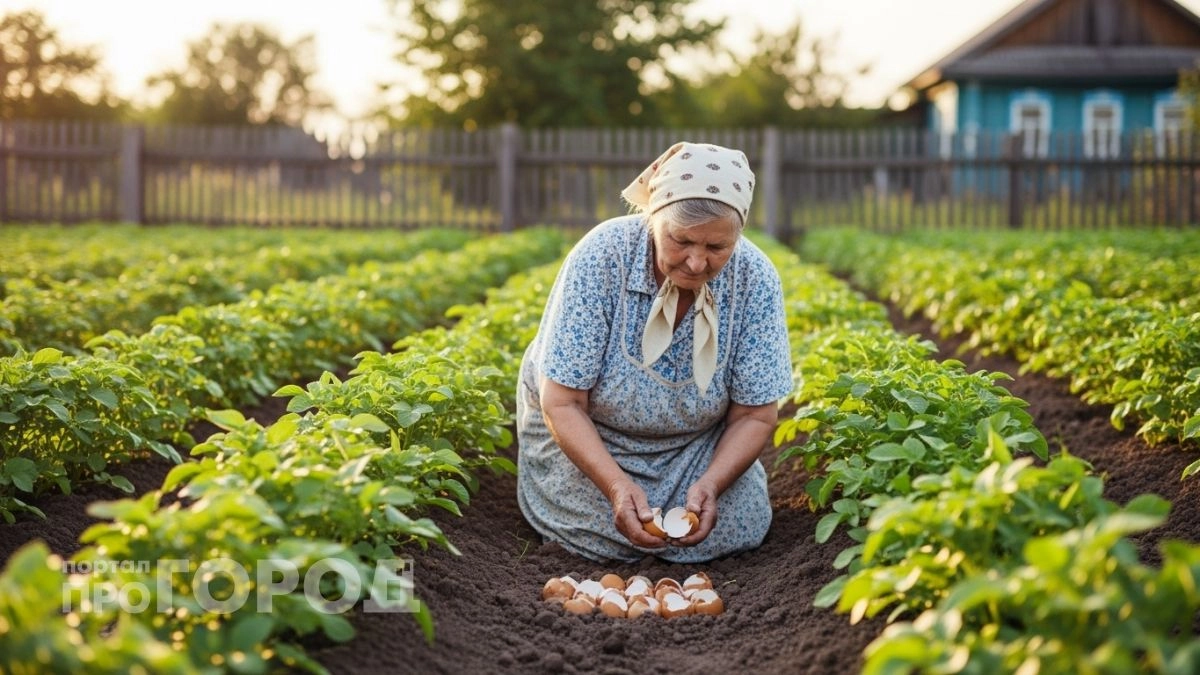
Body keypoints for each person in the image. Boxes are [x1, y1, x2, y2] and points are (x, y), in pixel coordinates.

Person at [516, 141, 793, 563]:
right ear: (653, 219)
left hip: (694, 448)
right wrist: (615, 486)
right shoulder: (603, 256)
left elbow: (755, 414)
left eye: (717, 248)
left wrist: (712, 483)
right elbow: (564, 401)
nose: (697, 263)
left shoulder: (754, 278)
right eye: (681, 241)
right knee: (596, 529)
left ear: (738, 235)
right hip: (591, 438)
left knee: (738, 520)